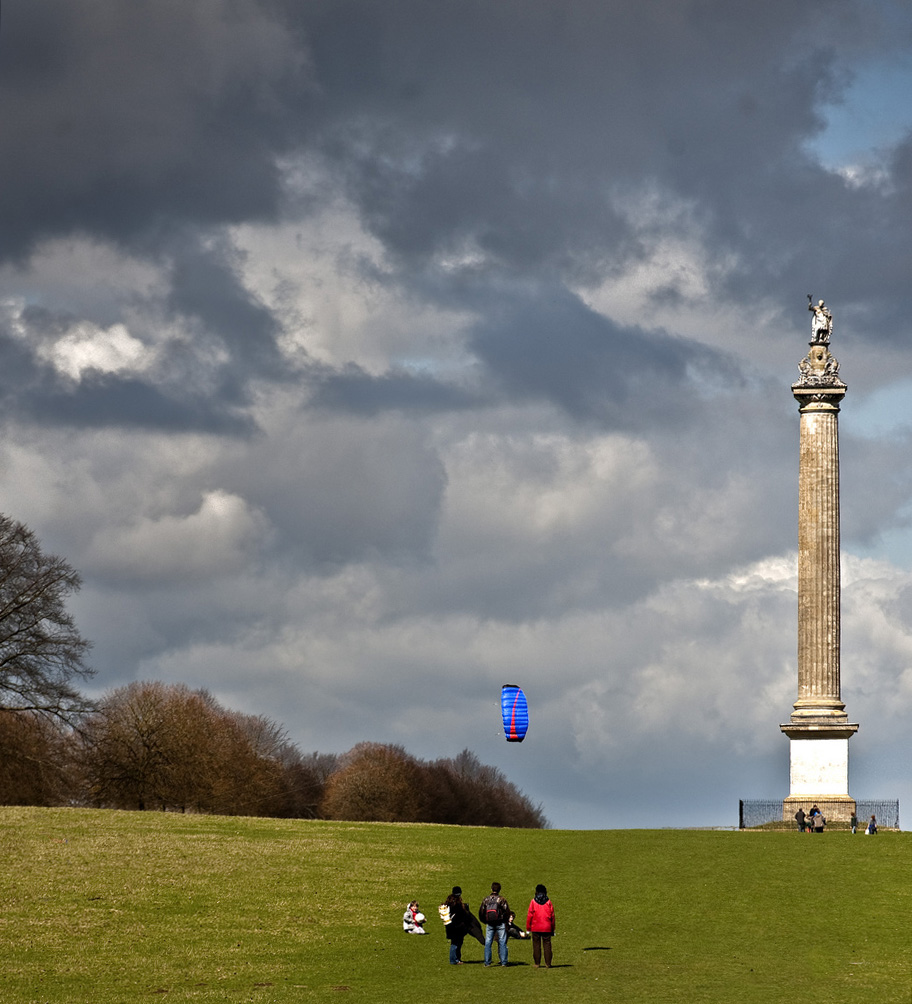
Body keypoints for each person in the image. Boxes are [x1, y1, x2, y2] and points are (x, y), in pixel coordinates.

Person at [439, 886, 479, 964]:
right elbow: (461, 914)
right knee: (456, 943)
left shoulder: (448, 902)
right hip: (457, 927)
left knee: (455, 943)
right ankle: (454, 959)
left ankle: (456, 959)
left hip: (450, 926)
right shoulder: (457, 903)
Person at [479, 882, 511, 967]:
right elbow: (507, 911)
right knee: (502, 942)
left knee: (488, 943)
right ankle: (504, 962)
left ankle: (487, 962)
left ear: (491, 889)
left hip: (490, 924)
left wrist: (485, 921)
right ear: (499, 889)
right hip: (500, 923)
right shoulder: (501, 899)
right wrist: (504, 920)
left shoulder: (486, 899)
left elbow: (481, 912)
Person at [526, 883, 556, 969]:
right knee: (547, 945)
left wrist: (528, 928)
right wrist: (552, 928)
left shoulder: (533, 902)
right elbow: (552, 916)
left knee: (536, 945)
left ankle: (537, 963)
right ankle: (548, 963)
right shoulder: (548, 902)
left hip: (535, 927)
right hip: (546, 927)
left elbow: (529, 915)